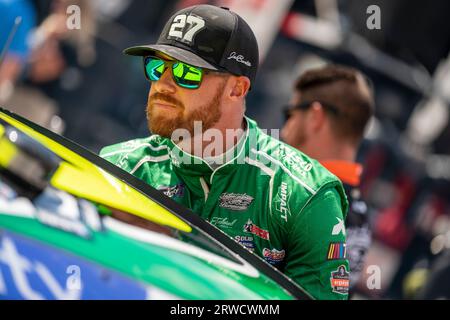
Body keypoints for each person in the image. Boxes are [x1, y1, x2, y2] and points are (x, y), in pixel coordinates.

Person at [100, 4, 349, 300]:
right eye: (157, 67)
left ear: (237, 89)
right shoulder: (119, 168)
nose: (163, 85)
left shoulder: (304, 195)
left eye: (186, 72)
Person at [281, 65, 375, 293]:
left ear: (315, 116)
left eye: (290, 114)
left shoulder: (299, 196)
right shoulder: (359, 212)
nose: (284, 130)